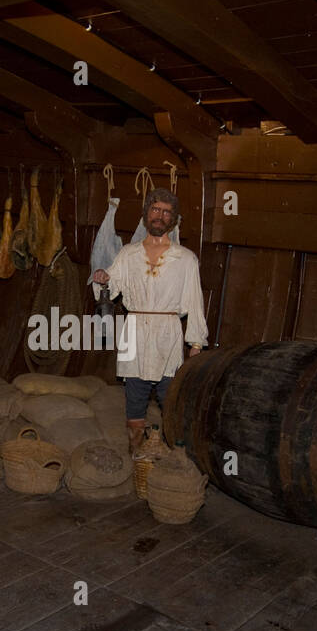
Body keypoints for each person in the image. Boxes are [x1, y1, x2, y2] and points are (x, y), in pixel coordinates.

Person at [92, 187, 209, 453]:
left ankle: (174, 457)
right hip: (135, 330)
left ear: (174, 220)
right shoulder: (128, 254)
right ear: (146, 215)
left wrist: (196, 344)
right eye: (155, 210)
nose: (160, 216)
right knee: (134, 396)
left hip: (168, 333)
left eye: (167, 212)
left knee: (171, 397)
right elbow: (110, 287)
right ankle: (137, 456)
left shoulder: (186, 259)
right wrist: (103, 278)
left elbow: (194, 302)